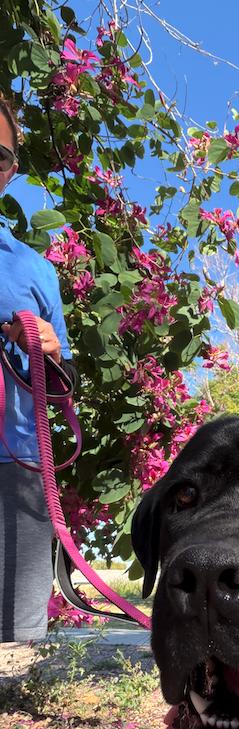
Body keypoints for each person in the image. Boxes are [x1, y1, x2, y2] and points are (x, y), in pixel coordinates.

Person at [0, 95, 75, 642]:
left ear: (10, 172)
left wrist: (47, 352)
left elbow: (63, 381)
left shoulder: (33, 270)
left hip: (17, 468)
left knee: (17, 643)